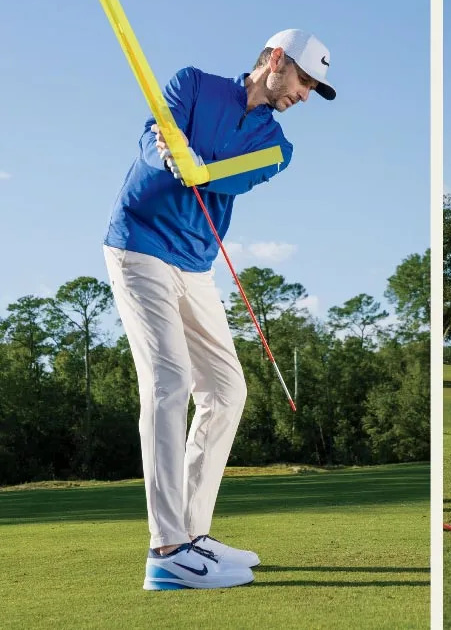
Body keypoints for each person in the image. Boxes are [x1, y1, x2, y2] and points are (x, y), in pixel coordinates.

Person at [103, 29, 335, 589]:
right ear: (275, 60)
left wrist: (197, 167)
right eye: (304, 80)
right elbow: (148, 140)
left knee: (228, 390)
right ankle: (165, 549)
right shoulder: (192, 84)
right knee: (169, 380)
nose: (304, 95)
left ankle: (193, 532)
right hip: (138, 245)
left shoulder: (278, 145)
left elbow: (225, 176)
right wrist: (165, 149)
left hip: (194, 264)